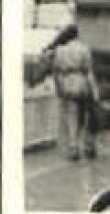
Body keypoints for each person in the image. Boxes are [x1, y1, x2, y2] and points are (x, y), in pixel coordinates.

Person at [35, 23, 100, 160]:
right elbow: (89, 72)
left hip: (67, 86)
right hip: (82, 85)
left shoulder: (59, 51)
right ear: (77, 34)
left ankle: (73, 148)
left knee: (71, 117)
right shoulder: (84, 49)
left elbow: (53, 68)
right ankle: (89, 146)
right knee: (85, 118)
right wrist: (95, 91)